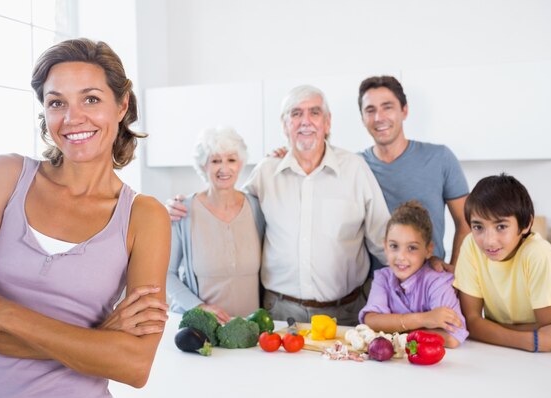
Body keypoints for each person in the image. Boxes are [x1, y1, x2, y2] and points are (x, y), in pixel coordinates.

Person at [0, 38, 171, 398]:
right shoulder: (4, 176)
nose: (72, 118)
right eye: (57, 102)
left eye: (90, 99)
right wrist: (92, 341)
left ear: (122, 105)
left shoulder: (145, 216)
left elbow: (134, 365)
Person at [169, 85, 390, 326]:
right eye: (295, 114)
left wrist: (423, 275)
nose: (305, 121)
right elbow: (228, 204)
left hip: (345, 312)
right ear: (285, 125)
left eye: (314, 113)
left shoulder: (355, 169)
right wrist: (179, 206)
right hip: (279, 313)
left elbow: (383, 242)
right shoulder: (266, 171)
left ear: (327, 123)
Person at [455, 173, 551, 352]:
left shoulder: (538, 254)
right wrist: (532, 340)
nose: (489, 240)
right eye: (478, 227)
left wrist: (487, 328)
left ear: (526, 224)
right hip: (515, 350)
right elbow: (469, 322)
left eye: (501, 227)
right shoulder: (471, 245)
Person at [358, 76, 470, 272]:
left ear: (404, 110)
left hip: (429, 281)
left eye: (387, 107)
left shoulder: (440, 158)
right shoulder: (355, 165)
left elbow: (466, 222)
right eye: (370, 110)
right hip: (375, 287)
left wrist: (454, 273)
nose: (379, 117)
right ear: (362, 118)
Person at [168, 126, 265, 324]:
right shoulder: (182, 211)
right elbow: (166, 274)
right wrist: (198, 307)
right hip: (201, 330)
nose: (224, 168)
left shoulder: (257, 207)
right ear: (203, 165)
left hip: (253, 333)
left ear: (240, 164)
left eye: (231, 160)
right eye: (215, 161)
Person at [359, 200, 468, 348]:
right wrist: (423, 319)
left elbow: (451, 338)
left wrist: (392, 329)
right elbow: (370, 321)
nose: (401, 256)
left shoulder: (438, 281)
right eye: (394, 246)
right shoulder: (383, 278)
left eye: (412, 248)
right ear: (385, 246)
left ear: (428, 250)